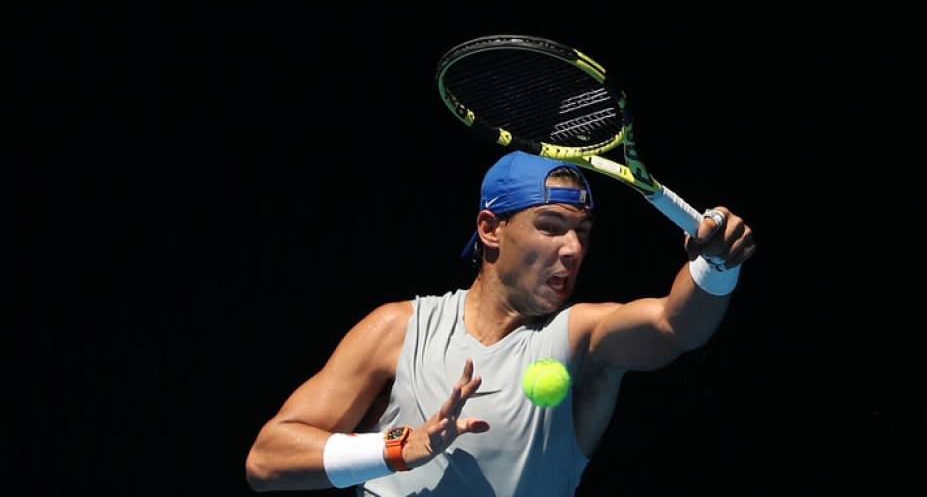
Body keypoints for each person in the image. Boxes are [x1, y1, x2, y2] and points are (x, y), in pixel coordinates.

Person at [245, 150, 756, 496]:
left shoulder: (580, 339)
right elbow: (267, 460)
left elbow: (675, 325)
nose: (573, 248)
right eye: (551, 227)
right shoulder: (398, 329)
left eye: (582, 232)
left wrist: (715, 266)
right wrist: (401, 447)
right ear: (491, 230)